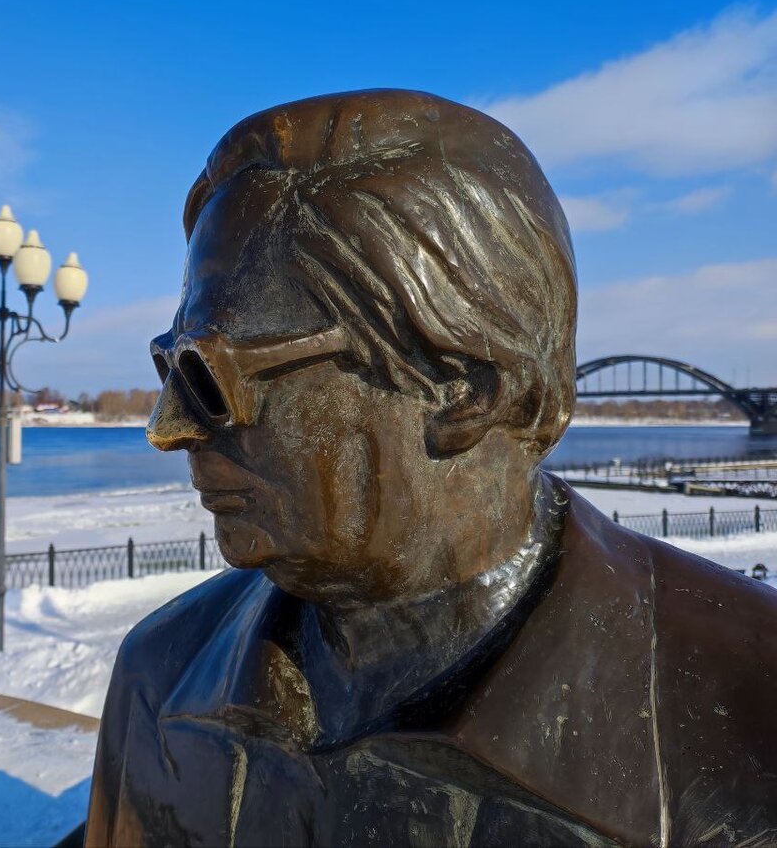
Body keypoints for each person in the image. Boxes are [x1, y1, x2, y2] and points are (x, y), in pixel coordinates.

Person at [87, 90, 777, 846]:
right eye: (170, 365)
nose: (170, 428)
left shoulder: (747, 714)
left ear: (468, 388)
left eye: (210, 375)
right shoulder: (159, 675)